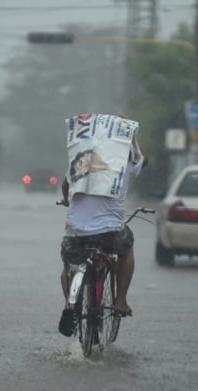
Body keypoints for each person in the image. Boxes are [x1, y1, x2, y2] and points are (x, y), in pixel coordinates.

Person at [57, 115, 147, 337]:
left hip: (77, 231)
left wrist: (67, 200)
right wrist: (131, 134)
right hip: (110, 232)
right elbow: (142, 160)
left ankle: (69, 304)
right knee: (126, 250)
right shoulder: (125, 161)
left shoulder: (81, 160)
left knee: (69, 265)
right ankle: (121, 301)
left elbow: (66, 185)